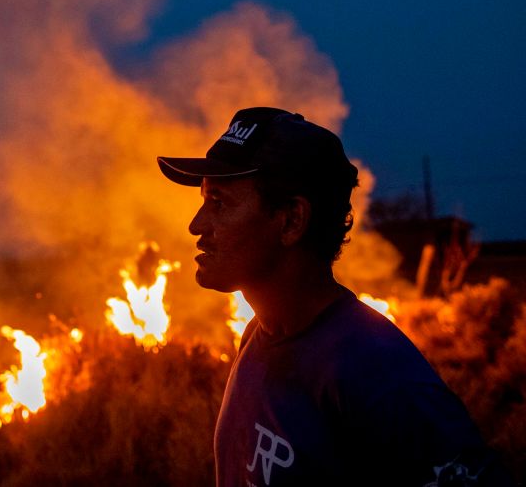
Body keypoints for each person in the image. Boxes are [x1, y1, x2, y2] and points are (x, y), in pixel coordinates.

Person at [157, 107, 513, 487]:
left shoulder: (378, 374)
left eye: (219, 203)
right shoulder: (259, 336)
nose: (196, 225)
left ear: (292, 220)